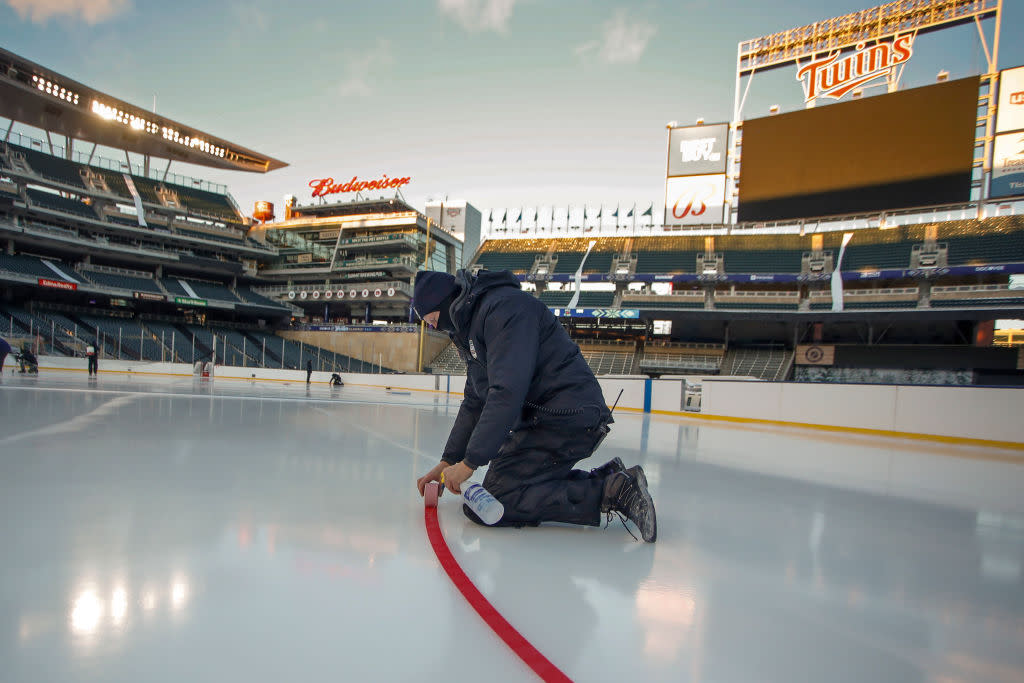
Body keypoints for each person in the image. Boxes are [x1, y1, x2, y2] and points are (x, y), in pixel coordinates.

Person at [413, 269, 657, 542]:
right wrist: (449, 460)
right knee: (494, 494)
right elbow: (475, 399)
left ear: (445, 302)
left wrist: (470, 463)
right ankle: (609, 476)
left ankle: (615, 489)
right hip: (543, 418)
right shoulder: (471, 326)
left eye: (433, 320)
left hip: (566, 415)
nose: (434, 328)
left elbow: (506, 390)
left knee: (498, 499)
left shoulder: (503, 309)